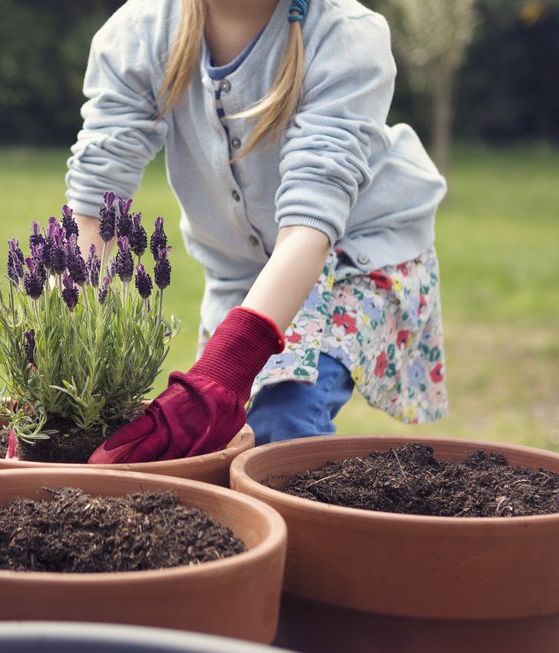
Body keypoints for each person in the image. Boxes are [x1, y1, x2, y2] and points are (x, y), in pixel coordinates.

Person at [64, 0, 449, 463]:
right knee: (219, 442)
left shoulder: (345, 35)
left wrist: (227, 368)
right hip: (245, 274)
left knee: (281, 420)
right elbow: (95, 205)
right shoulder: (141, 31)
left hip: (355, 252)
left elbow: (312, 219)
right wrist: (64, 363)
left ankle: (305, 533)